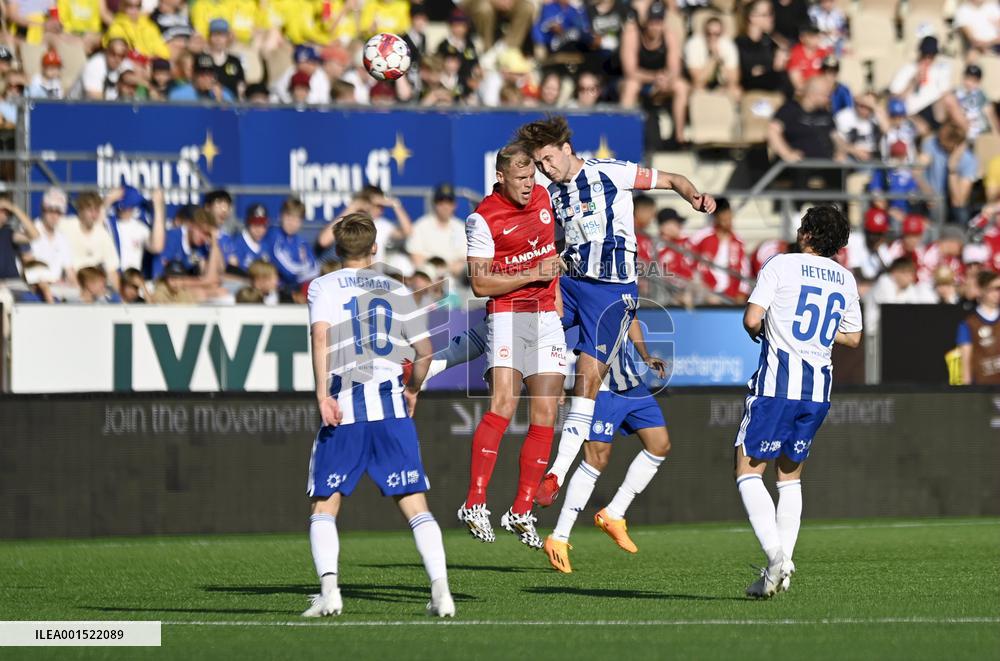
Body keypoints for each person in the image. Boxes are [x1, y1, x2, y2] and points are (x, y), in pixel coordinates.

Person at [515, 114, 716, 507]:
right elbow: (557, 239)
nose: (545, 169)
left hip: (610, 291)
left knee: (587, 380)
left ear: (567, 149)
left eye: (548, 159)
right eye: (539, 164)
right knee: (518, 321)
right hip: (570, 283)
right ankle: (437, 363)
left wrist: (695, 197)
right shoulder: (554, 193)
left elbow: (673, 179)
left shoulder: (611, 172)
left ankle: (556, 472)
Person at [303, 211, 453, 618]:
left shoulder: (322, 286)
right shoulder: (395, 287)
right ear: (374, 248)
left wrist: (321, 395)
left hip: (344, 406)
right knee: (415, 505)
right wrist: (413, 389)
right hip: (390, 407)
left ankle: (330, 591)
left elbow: (320, 336)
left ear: (337, 249)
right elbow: (425, 353)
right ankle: (441, 590)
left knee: (324, 506)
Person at [734, 205, 862, 598]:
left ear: (806, 233)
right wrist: (817, 338)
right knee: (789, 479)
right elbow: (853, 337)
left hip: (777, 385)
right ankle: (781, 571)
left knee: (747, 472)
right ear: (839, 244)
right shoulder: (845, 279)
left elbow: (752, 319)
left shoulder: (782, 264)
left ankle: (776, 556)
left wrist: (775, 326)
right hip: (817, 390)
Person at [457, 142, 566, 548]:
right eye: (520, 179)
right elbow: (481, 283)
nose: (528, 185)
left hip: (545, 318)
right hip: (507, 314)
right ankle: (475, 501)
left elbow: (549, 249)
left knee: (546, 411)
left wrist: (552, 291)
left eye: (531, 176)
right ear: (500, 177)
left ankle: (521, 510)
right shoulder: (482, 219)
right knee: (503, 403)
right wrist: (533, 273)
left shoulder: (542, 197)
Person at [544, 320, 670, 573]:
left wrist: (644, 355)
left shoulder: (625, 284)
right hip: (599, 388)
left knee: (660, 444)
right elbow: (555, 330)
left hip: (630, 384)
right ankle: (559, 537)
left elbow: (631, 317)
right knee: (596, 459)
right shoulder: (585, 287)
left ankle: (613, 513)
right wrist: (556, 381)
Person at [619, 1, 689, 143]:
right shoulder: (632, 33)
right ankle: (622, 137)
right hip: (636, 81)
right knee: (631, 85)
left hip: (659, 83)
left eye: (659, 22)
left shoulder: (669, 35)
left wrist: (665, 79)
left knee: (681, 86)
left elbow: (675, 69)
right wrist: (654, 77)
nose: (655, 27)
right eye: (652, 22)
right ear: (646, 22)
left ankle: (679, 138)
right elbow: (630, 71)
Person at [918, 122, 978, 225]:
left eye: (943, 143)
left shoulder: (969, 160)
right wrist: (927, 192)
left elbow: (958, 201)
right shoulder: (932, 143)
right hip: (933, 197)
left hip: (953, 203)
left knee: (961, 212)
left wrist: (952, 169)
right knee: (937, 205)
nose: (939, 144)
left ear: (956, 145)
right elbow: (916, 171)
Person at [691, 197, 750, 301]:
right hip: (705, 294)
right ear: (716, 218)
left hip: (730, 296)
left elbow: (744, 270)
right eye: (724, 220)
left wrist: (742, 293)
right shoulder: (701, 236)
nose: (728, 223)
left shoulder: (738, 241)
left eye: (729, 219)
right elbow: (687, 259)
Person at [61, 191, 120, 285]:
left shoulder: (103, 234)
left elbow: (112, 270)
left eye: (96, 210)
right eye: (90, 210)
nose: (94, 215)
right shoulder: (64, 226)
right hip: (68, 286)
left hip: (95, 287)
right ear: (80, 210)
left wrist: (120, 298)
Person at [406, 184, 467, 275]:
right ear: (434, 204)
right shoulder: (421, 226)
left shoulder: (461, 228)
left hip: (453, 278)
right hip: (427, 277)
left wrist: (446, 270)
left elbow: (464, 259)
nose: (445, 206)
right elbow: (416, 257)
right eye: (441, 202)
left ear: (455, 205)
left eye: (449, 202)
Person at [105, 185, 166, 274]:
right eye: (122, 207)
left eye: (128, 207)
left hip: (131, 279)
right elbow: (93, 229)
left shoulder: (139, 227)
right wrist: (108, 200)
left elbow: (157, 247)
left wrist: (157, 206)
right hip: (110, 278)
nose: (125, 210)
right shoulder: (107, 222)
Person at [261, 196, 318, 291]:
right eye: (289, 217)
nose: (292, 223)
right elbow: (289, 273)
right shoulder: (273, 236)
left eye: (297, 219)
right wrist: (305, 273)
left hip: (298, 288)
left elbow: (315, 268)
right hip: (279, 290)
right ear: (281, 216)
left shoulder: (301, 242)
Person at [957, 270, 1000, 384]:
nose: (998, 293)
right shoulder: (969, 324)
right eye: (995, 289)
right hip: (983, 390)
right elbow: (965, 363)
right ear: (982, 290)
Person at [737, 0, 788, 92]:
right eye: (766, 14)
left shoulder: (770, 42)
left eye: (771, 14)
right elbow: (748, 78)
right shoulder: (741, 44)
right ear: (752, 17)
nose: (771, 18)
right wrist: (774, 70)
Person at [684, 14, 740, 95]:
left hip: (721, 85)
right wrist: (713, 58)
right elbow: (698, 79)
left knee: (736, 91)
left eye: (717, 34)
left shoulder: (728, 45)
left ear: (722, 33)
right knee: (697, 88)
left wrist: (721, 63)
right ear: (704, 33)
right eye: (709, 33)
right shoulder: (694, 44)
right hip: (701, 85)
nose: (712, 37)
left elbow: (733, 79)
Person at [29, 187, 75, 286]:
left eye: (58, 212)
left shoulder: (62, 238)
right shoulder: (29, 231)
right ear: (43, 209)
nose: (54, 216)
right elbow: (29, 271)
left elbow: (70, 272)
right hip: (34, 290)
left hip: (57, 291)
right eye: (50, 210)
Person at [846, 206, 893, 284]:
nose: (875, 237)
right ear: (866, 230)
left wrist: (876, 252)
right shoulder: (854, 240)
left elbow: (889, 274)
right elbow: (859, 275)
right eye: (872, 233)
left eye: (879, 234)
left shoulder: (882, 247)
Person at [955, 64, 999, 142]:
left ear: (979, 82)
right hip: (961, 133)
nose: (970, 83)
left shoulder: (981, 95)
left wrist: (996, 136)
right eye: (968, 79)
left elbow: (990, 114)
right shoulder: (957, 92)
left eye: (974, 81)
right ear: (963, 77)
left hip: (979, 134)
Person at [0, 195, 41, 280]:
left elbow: (35, 235)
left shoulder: (9, 234)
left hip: (12, 283)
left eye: (6, 211)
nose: (2, 214)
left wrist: (14, 208)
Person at [221, 203, 269, 274]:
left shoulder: (266, 244)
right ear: (247, 224)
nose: (259, 230)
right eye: (255, 224)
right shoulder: (236, 244)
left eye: (263, 225)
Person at [205, 18, 245, 100]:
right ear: (209, 37)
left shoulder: (234, 61)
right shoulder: (203, 60)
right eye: (215, 35)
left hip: (231, 105)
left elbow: (240, 86)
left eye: (222, 35)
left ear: (227, 38)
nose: (218, 39)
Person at [168, 53, 236, 102]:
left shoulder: (224, 95)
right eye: (202, 74)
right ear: (194, 74)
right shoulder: (179, 95)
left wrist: (219, 100)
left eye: (209, 74)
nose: (206, 78)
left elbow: (231, 119)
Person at [786, 23, 832, 92]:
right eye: (812, 36)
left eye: (817, 35)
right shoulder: (795, 53)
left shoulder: (823, 53)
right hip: (805, 92)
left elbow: (829, 75)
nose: (816, 38)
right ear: (802, 38)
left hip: (821, 90)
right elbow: (797, 83)